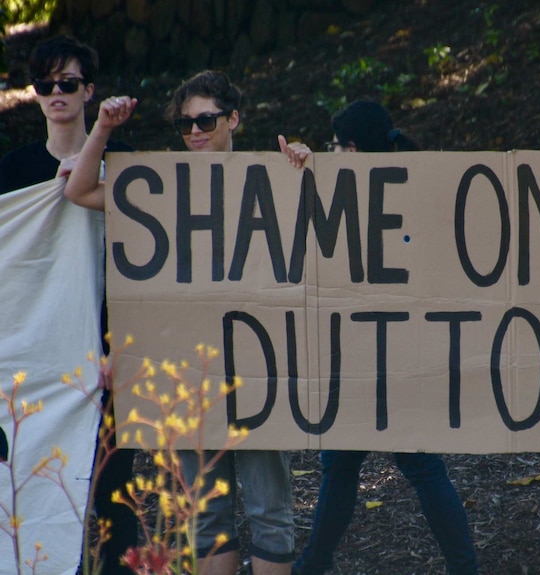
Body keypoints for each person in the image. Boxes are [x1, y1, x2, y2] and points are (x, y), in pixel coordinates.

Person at [67, 69, 297, 575]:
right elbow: (81, 191)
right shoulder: (161, 188)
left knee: (269, 511)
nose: (195, 131)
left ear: (233, 119)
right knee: (207, 514)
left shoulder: (270, 176)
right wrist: (101, 131)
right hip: (193, 375)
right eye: (185, 124)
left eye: (206, 120)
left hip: (259, 375)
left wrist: (300, 162)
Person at [280, 100, 480, 575]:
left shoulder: (387, 196)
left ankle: (315, 564)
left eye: (333, 146)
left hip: (380, 354)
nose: (328, 154)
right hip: (383, 351)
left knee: (388, 465)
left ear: (350, 149)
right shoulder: (412, 186)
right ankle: (317, 563)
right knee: (359, 464)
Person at [0, 34, 138, 575]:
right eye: (45, 84)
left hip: (108, 350)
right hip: (35, 359)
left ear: (89, 91)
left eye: (68, 83)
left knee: (113, 492)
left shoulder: (125, 166)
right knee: (39, 485)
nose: (56, 92)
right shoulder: (12, 174)